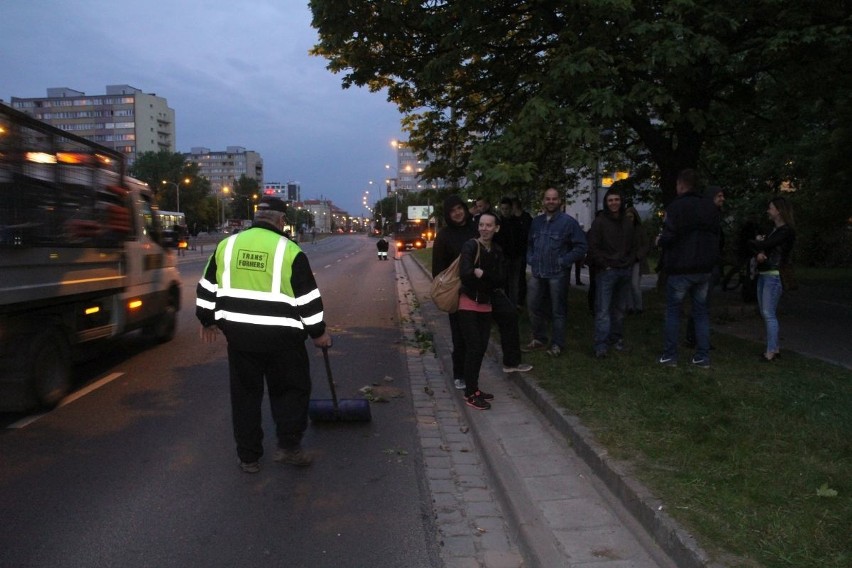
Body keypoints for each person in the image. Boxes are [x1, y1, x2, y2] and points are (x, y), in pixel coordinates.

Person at [196, 196, 333, 473]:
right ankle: (289, 447)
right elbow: (307, 299)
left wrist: (207, 320)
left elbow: (207, 288)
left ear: (257, 217)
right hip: (284, 341)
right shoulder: (290, 251)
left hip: (241, 339)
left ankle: (248, 458)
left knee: (245, 396)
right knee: (290, 392)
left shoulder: (228, 245)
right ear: (281, 220)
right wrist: (318, 333)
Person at [657, 169, 721, 368]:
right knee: (701, 313)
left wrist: (660, 240)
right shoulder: (710, 208)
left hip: (680, 267)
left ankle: (670, 355)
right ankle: (702, 356)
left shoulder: (676, 207)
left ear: (681, 185)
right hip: (703, 268)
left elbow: (670, 236)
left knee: (673, 312)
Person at [524, 187, 588, 357]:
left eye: (554, 199)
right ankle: (539, 338)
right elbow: (529, 243)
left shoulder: (568, 222)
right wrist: (531, 258)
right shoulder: (536, 222)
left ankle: (557, 344)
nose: (550, 202)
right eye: (547, 198)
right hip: (538, 272)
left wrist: (563, 261)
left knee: (558, 311)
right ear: (543, 201)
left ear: (560, 201)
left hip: (557, 274)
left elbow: (581, 246)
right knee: (533, 306)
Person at [457, 211, 504, 410]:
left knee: (481, 348)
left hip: (486, 305)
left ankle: (475, 389)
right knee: (474, 348)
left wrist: (482, 274)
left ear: (496, 228)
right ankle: (470, 392)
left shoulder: (497, 250)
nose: (485, 229)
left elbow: (501, 279)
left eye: (489, 225)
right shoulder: (470, 246)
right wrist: (487, 279)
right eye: (482, 225)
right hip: (468, 304)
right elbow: (466, 274)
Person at [432, 196, 478, 391]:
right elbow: (438, 269)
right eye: (453, 211)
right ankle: (459, 373)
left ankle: (472, 373)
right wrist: (448, 288)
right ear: (448, 214)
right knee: (459, 337)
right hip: (457, 292)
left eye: (460, 208)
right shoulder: (444, 235)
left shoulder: (475, 230)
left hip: (478, 289)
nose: (457, 213)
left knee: (475, 336)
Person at [587, 188, 637, 358]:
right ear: (606, 203)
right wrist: (605, 264)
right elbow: (593, 247)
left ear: (621, 201)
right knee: (603, 310)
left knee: (620, 310)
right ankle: (601, 345)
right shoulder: (600, 222)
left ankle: (616, 340)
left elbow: (633, 245)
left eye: (617, 199)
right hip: (607, 271)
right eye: (610, 200)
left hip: (624, 270)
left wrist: (629, 262)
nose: (614, 203)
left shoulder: (627, 222)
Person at [749, 197, 795, 362]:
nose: (768, 211)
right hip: (765, 273)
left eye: (771, 208)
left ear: (779, 211)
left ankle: (770, 352)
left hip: (774, 275)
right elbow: (764, 246)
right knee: (766, 312)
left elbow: (766, 245)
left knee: (768, 313)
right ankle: (773, 348)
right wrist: (760, 249)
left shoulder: (786, 232)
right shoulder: (774, 230)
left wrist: (759, 245)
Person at [686, 187, 725, 346]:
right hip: (706, 265)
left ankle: (696, 337)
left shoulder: (711, 218)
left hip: (709, 264)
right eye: (719, 196)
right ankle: (697, 338)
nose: (722, 199)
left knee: (701, 303)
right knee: (702, 304)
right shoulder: (707, 219)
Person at [495, 197, 526, 308]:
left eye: (506, 208)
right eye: (503, 209)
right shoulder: (498, 223)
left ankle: (511, 306)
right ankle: (504, 306)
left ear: (511, 208)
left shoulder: (517, 222)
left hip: (515, 256)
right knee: (504, 282)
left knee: (513, 283)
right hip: (504, 257)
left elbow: (521, 239)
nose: (505, 211)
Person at [623, 206, 651, 314]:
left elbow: (646, 245)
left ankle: (639, 307)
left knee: (635, 285)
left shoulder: (640, 230)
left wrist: (638, 256)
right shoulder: (623, 229)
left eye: (631, 217)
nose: (629, 219)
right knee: (627, 285)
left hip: (636, 261)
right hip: (626, 260)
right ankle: (630, 307)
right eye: (627, 217)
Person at [512, 197, 533, 306]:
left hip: (522, 251)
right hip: (514, 252)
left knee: (520, 276)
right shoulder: (513, 218)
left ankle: (520, 300)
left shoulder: (526, 218)